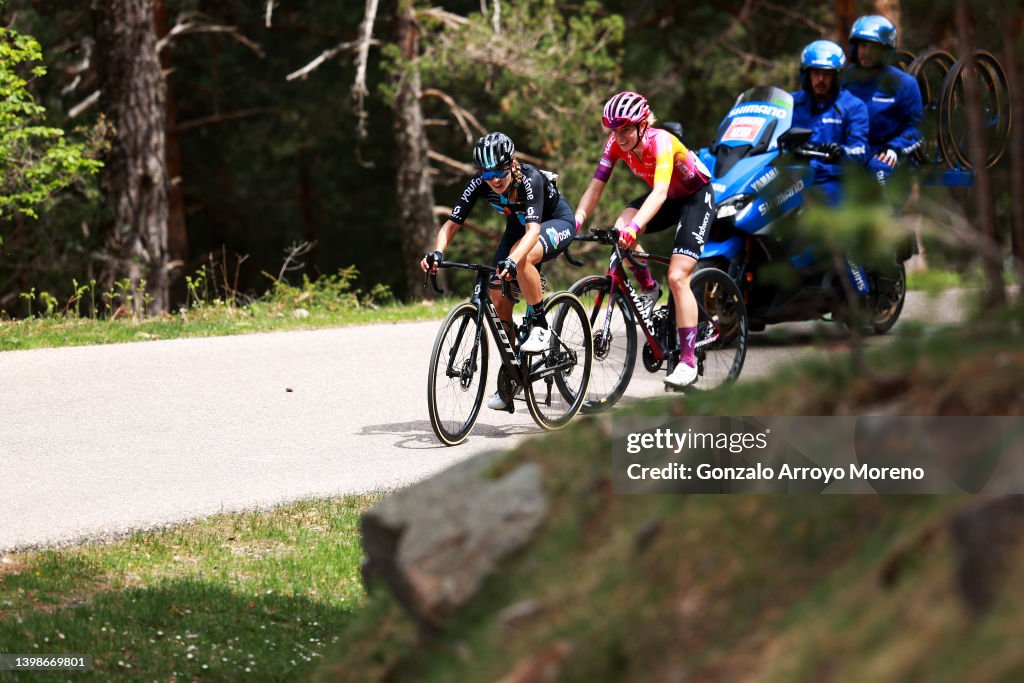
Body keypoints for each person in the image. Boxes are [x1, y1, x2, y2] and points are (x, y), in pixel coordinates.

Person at [420, 132, 576, 410]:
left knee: (522, 257)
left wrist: (514, 260)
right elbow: (451, 224)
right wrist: (438, 252)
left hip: (554, 222)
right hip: (518, 227)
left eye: (500, 171)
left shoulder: (530, 179)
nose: (494, 179)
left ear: (512, 164)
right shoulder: (480, 183)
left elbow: (533, 232)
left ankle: (539, 324)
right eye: (487, 172)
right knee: (497, 296)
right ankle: (512, 374)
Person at [574, 91, 714, 388]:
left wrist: (636, 226)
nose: (619, 136)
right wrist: (576, 220)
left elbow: (660, 192)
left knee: (678, 277)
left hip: (693, 197)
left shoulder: (661, 142)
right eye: (614, 129)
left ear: (642, 124)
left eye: (625, 128)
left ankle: (687, 362)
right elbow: (596, 187)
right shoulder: (615, 145)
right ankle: (649, 288)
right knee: (618, 229)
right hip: (664, 199)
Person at [841, 15, 924, 186]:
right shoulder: (841, 79)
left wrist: (895, 148)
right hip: (848, 152)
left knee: (879, 171)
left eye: (874, 47)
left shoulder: (905, 84)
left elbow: (917, 127)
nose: (867, 52)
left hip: (884, 156)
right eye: (863, 45)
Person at [790, 39, 869, 207]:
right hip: (791, 179)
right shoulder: (790, 103)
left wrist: (841, 151)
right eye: (815, 73)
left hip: (832, 180)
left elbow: (860, 150)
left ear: (837, 76)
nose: (820, 79)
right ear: (806, 74)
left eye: (827, 74)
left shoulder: (853, 106)